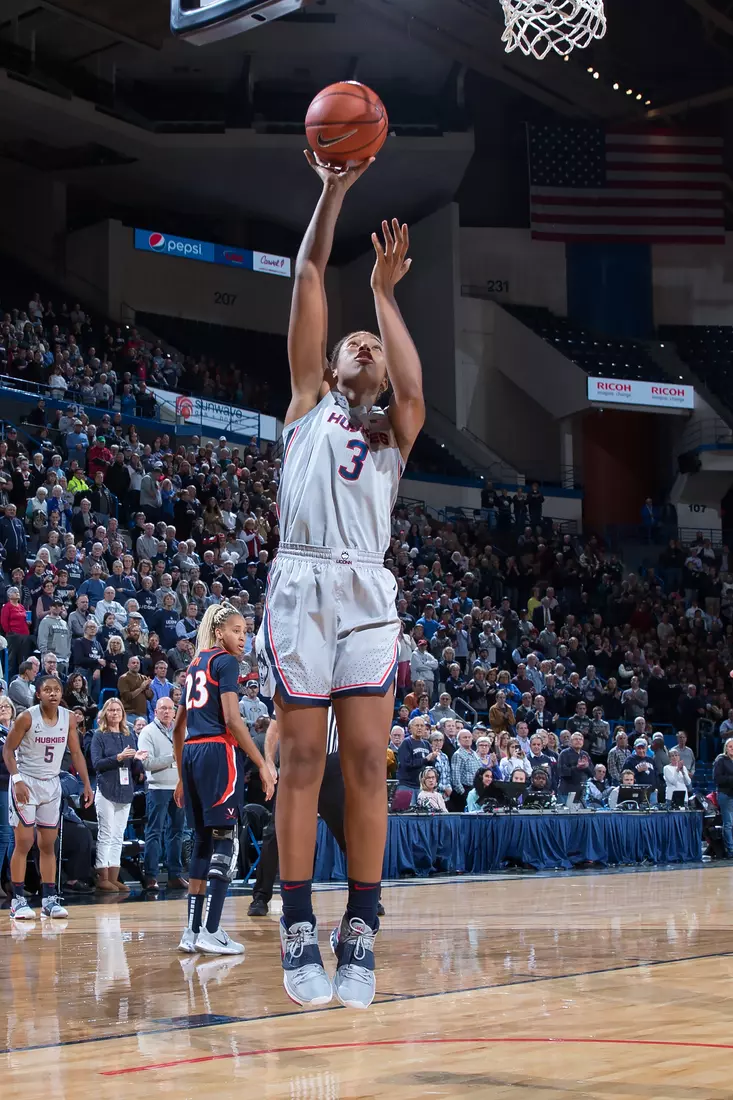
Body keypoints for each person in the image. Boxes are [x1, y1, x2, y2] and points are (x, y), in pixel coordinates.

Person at [254, 154, 424, 1010]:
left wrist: (387, 298)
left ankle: (359, 924)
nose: (359, 343)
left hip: (364, 590)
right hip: (300, 582)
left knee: (364, 758)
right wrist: (331, 189)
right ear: (329, 370)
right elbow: (312, 271)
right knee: (301, 761)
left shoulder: (393, 437)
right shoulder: (303, 404)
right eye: (352, 339)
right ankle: (295, 925)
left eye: (373, 344)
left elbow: (414, 389)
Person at [173, 604, 275, 957]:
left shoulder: (195, 663)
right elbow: (233, 718)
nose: (242, 636)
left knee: (201, 842)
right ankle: (213, 930)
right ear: (219, 632)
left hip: (191, 753)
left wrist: (181, 776)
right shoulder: (226, 663)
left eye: (245, 631)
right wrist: (261, 762)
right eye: (235, 630)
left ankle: (192, 929)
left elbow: (178, 726)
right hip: (218, 752)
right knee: (224, 842)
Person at [2, 675, 92, 919]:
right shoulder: (26, 717)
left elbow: (76, 752)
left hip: (52, 784)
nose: (53, 693)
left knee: (47, 844)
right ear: (38, 694)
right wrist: (18, 780)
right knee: (24, 843)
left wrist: (86, 783)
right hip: (27, 782)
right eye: (47, 690)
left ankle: (49, 899)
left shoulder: (68, 717)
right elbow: (8, 750)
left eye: (57, 689)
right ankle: (18, 900)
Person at [90, 698, 147, 892]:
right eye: (111, 710)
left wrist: (138, 760)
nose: (115, 714)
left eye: (118, 710)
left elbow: (134, 767)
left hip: (125, 790)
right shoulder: (99, 736)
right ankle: (102, 876)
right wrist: (118, 758)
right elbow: (97, 764)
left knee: (118, 835)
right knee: (105, 833)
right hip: (106, 789)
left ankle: (114, 877)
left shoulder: (129, 735)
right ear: (105, 713)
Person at [138, 697, 188, 891]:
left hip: (178, 787)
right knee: (154, 832)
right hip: (157, 788)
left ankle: (175, 875)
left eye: (170, 708)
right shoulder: (147, 732)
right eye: (162, 709)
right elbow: (147, 763)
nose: (167, 712)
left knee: (177, 832)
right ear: (156, 711)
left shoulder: (181, 730)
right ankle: (151, 876)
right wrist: (172, 757)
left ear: (175, 712)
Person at [0, 696, 16, 896]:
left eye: (6, 706)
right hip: (3, 784)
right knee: (4, 835)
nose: (3, 709)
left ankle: (14, 881)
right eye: (0, 707)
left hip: (20, 785)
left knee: (15, 837)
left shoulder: (18, 731)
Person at [713, 737, 733, 858]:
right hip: (726, 795)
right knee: (729, 823)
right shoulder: (721, 760)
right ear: (726, 748)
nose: (732, 749)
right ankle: (731, 850)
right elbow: (717, 778)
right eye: (730, 746)